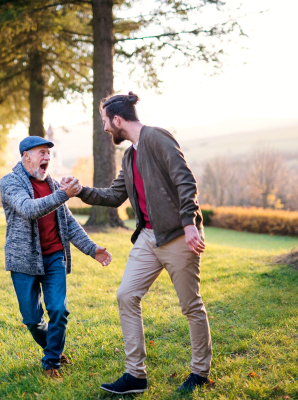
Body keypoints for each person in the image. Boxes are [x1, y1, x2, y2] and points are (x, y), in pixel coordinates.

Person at [60, 92, 211, 394]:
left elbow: (185, 180)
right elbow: (115, 195)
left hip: (179, 236)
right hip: (148, 237)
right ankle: (135, 375)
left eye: (105, 122)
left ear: (117, 120)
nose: (105, 129)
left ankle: (200, 372)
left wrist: (189, 223)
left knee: (190, 305)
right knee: (126, 295)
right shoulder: (129, 156)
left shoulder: (157, 138)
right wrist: (80, 191)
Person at [0, 136, 113, 382]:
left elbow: (68, 223)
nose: (47, 158)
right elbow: (28, 209)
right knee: (32, 319)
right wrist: (63, 195)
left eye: (49, 154)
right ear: (26, 156)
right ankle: (54, 348)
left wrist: (92, 249)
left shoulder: (52, 183)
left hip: (54, 258)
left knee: (59, 310)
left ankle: (51, 360)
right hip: (24, 261)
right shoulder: (9, 182)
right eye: (41, 152)